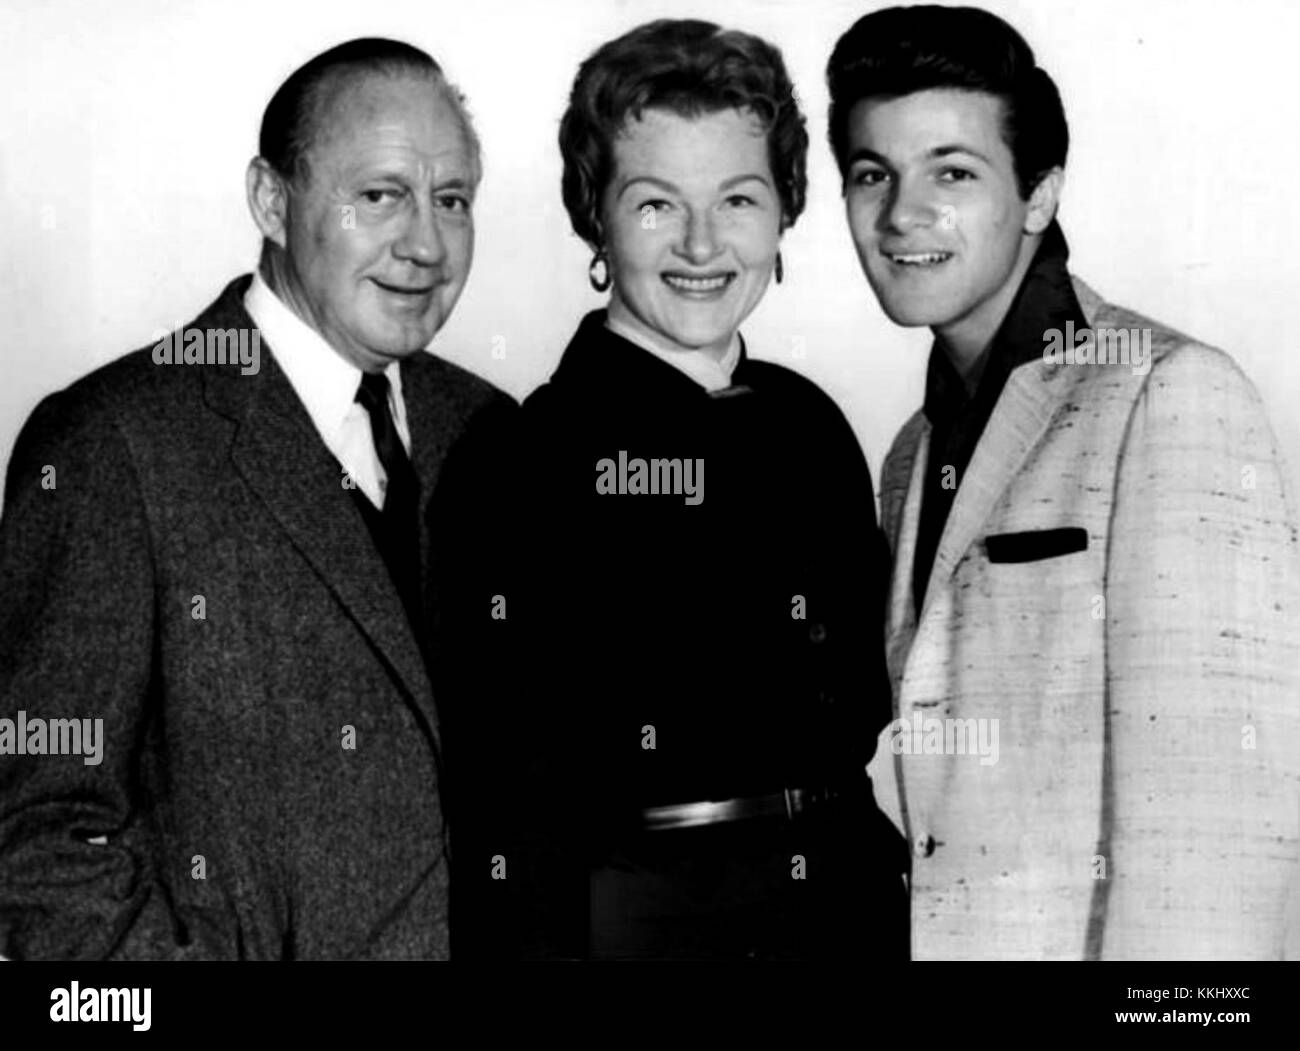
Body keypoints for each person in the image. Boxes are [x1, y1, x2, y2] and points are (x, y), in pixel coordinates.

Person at [0, 37, 513, 959]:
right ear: (272, 202)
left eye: (452, 200)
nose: (427, 245)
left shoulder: (488, 427)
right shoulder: (111, 444)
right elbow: (40, 831)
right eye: (380, 195)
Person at [826, 5, 1300, 959]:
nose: (903, 215)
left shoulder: (1166, 392)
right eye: (874, 174)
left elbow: (1217, 836)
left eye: (953, 173)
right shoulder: (911, 454)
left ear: (1040, 195)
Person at [456, 18, 908, 961]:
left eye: (739, 198)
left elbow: (858, 709)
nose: (703, 242)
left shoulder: (812, 425)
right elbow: (508, 804)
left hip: (848, 906)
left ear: (784, 209)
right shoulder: (523, 460)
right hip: (646, 928)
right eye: (657, 204)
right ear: (596, 214)